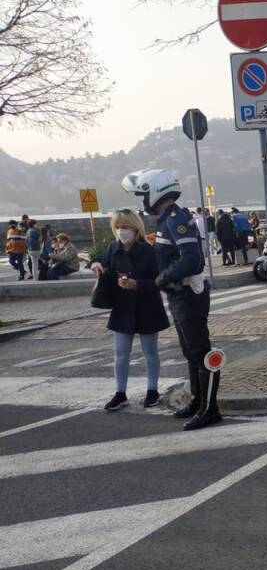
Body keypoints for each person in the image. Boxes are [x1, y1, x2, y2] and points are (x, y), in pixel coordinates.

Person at [122, 168, 222, 431]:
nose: (142, 201)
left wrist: (161, 279)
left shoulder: (176, 218)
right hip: (179, 295)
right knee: (190, 354)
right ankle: (198, 402)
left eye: (143, 194)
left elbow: (192, 259)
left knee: (201, 353)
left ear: (155, 192)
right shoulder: (166, 220)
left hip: (189, 293)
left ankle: (210, 409)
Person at [91, 210, 170, 411]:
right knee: (120, 353)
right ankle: (120, 392)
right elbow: (99, 260)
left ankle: (152, 390)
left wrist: (137, 285)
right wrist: (97, 264)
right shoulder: (112, 248)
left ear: (136, 228)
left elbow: (160, 281)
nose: (121, 231)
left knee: (150, 352)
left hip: (147, 306)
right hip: (122, 307)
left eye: (125, 227)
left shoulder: (149, 251)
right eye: (117, 227)